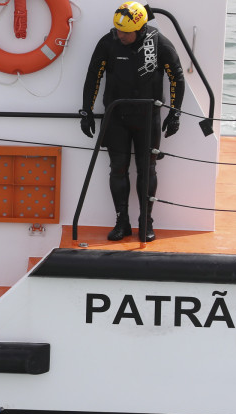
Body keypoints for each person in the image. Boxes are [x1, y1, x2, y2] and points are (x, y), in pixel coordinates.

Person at [79, 1, 185, 242]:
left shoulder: (159, 44)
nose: (121, 35)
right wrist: (86, 111)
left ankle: (145, 222)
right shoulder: (108, 42)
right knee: (117, 169)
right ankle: (122, 222)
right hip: (116, 117)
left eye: (126, 31)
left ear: (140, 28)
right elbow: (93, 76)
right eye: (118, 30)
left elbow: (177, 77)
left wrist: (175, 113)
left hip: (148, 117)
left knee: (147, 170)